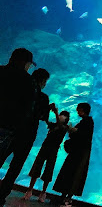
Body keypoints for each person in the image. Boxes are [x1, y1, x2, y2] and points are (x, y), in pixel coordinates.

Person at [0, 67, 50, 205]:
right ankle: (1, 196)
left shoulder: (20, 91)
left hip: (12, 131)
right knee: (15, 168)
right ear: (42, 81)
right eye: (45, 81)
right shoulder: (43, 97)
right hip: (27, 137)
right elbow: (43, 116)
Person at [24, 109, 70, 203]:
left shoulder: (65, 127)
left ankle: (43, 193)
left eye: (63, 116)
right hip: (44, 148)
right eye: (61, 115)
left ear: (66, 119)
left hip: (53, 151)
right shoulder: (53, 125)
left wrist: (56, 112)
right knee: (37, 167)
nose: (61, 116)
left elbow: (60, 125)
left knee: (49, 170)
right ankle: (29, 190)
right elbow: (48, 122)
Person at [53, 103, 93, 206]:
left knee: (74, 173)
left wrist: (73, 130)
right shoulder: (84, 121)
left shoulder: (88, 121)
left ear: (83, 110)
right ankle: (64, 197)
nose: (77, 111)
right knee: (69, 172)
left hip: (80, 152)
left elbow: (82, 135)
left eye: (78, 109)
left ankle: (67, 198)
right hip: (77, 151)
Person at [0, 48, 36, 161]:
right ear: (24, 63)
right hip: (6, 126)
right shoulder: (28, 81)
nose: (29, 68)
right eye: (29, 65)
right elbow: (27, 109)